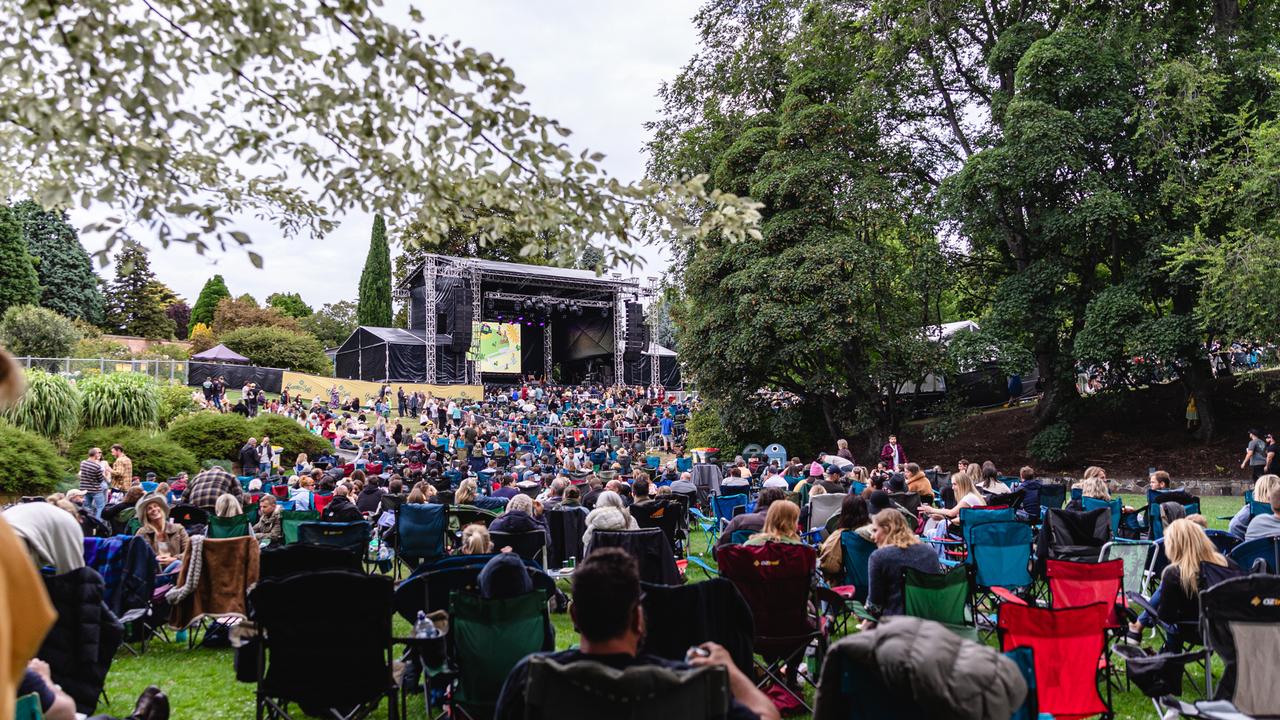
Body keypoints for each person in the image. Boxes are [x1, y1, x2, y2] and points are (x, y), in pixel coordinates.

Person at [493, 548, 778, 720]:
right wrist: (731, 672)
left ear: (574, 617)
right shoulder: (691, 684)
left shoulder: (530, 678)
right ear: (638, 617)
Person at [1127, 519, 1243, 649]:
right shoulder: (1228, 565)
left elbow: (1167, 616)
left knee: (1172, 625)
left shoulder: (1174, 574)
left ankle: (1169, 659)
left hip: (1191, 631)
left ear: (1173, 546)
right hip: (1227, 630)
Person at [863, 509, 942, 624]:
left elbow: (875, 605)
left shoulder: (879, 557)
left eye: (875, 530)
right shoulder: (930, 553)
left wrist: (865, 615)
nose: (872, 536)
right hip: (931, 621)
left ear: (887, 529)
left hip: (895, 624)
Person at [134, 494, 189, 580]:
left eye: (156, 506)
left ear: (161, 509)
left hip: (177, 570)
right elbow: (136, 555)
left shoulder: (178, 528)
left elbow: (189, 551)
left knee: (178, 564)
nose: (154, 509)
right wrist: (154, 559)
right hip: (153, 573)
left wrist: (173, 559)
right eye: (149, 508)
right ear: (146, 514)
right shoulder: (142, 532)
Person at [819, 494, 874, 578]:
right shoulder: (879, 533)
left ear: (844, 512)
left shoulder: (840, 536)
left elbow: (830, 566)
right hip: (878, 585)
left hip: (851, 586)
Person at [716, 488, 786, 549]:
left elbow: (719, 548)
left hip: (743, 561)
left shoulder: (740, 521)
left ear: (759, 501)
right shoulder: (789, 524)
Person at [1229, 474, 1280, 539]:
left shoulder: (1250, 509)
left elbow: (1234, 526)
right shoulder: (1276, 511)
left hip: (1253, 546)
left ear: (1257, 491)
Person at [921, 472, 986, 523]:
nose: (952, 487)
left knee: (936, 528)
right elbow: (962, 519)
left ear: (962, 484)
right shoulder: (971, 496)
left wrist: (932, 510)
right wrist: (944, 518)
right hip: (973, 530)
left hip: (970, 534)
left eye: (954, 484)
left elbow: (951, 513)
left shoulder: (969, 498)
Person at [78, 447, 108, 519]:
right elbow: (100, 480)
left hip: (84, 489)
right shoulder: (97, 466)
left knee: (87, 507)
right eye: (97, 454)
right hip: (95, 490)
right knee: (100, 507)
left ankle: (89, 523)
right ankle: (98, 524)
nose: (98, 455)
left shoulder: (83, 463)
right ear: (95, 455)